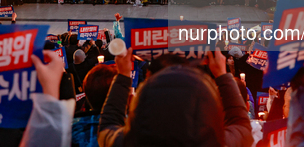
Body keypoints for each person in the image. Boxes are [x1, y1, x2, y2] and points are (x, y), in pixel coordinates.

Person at [98, 48, 253, 147]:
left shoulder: (132, 141)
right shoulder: (217, 141)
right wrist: (222, 74)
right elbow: (243, 128)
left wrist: (123, 75)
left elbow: (107, 126)